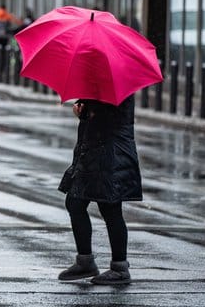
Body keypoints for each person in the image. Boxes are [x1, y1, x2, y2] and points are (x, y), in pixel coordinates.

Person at [57, 95, 141, 285]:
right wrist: (84, 109)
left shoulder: (116, 86)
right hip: (95, 153)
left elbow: (110, 118)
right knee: (75, 202)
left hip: (111, 154)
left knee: (110, 208)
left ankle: (119, 268)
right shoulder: (99, 83)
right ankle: (85, 261)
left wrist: (89, 110)